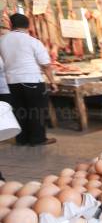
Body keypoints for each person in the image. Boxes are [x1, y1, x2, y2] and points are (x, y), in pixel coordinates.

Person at [0, 14, 58, 146]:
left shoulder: (2, 40)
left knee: (20, 109)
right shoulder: (33, 41)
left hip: (12, 81)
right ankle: (37, 139)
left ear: (11, 25)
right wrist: (52, 82)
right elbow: (46, 65)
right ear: (28, 26)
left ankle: (22, 139)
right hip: (31, 80)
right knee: (36, 110)